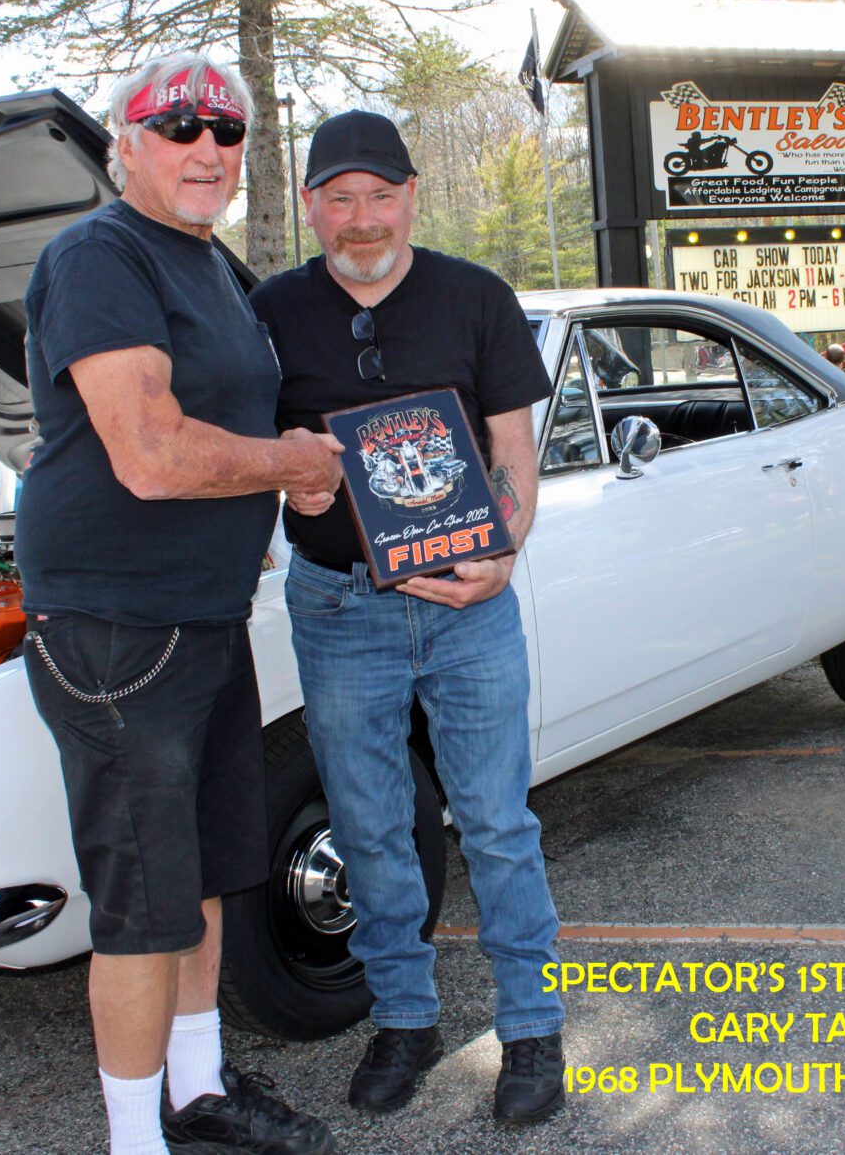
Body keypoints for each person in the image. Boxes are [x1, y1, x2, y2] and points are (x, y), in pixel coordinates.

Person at [16, 51, 341, 1155]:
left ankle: (197, 1092)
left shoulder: (212, 266)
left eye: (228, 131)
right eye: (179, 127)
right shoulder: (100, 255)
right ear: (129, 143)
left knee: (206, 875)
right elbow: (149, 454)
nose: (207, 147)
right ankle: (133, 1140)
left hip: (198, 619)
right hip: (117, 630)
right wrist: (290, 461)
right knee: (143, 910)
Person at [249, 110, 566, 1123]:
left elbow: (515, 447)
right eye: (339, 199)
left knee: (497, 823)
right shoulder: (270, 311)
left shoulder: (476, 296)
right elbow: (256, 451)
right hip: (340, 609)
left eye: (380, 196)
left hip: (471, 609)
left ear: (412, 196)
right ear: (310, 206)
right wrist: (291, 487)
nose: (362, 218)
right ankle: (405, 1019)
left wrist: (503, 555)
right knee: (372, 826)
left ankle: (531, 1033)